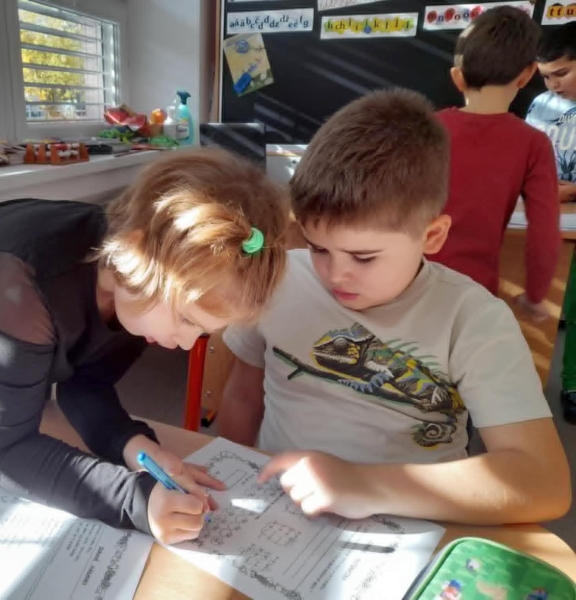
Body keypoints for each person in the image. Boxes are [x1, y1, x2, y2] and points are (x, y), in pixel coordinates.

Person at [0, 148, 289, 544]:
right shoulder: (19, 283)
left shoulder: (136, 286)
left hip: (5, 345)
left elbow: (86, 381)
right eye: (187, 320)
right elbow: (5, 451)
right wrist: (136, 500)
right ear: (137, 256)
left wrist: (136, 447)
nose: (185, 344)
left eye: (204, 332)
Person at [219, 89, 571, 525]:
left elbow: (543, 482)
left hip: (414, 522)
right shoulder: (278, 279)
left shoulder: (472, 318)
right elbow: (242, 396)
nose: (336, 274)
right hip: (284, 511)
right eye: (318, 248)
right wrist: (237, 480)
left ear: (432, 236)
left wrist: (363, 485)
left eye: (364, 258)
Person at [434, 6, 559, 324]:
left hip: (405, 278)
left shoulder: (425, 128)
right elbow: (544, 232)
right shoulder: (533, 144)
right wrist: (534, 295)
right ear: (528, 74)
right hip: (474, 292)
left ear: (457, 77)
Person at [526, 22, 576, 422]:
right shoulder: (540, 105)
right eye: (545, 76)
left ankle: (572, 384)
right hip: (542, 221)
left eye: (562, 73)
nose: (553, 84)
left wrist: (572, 191)